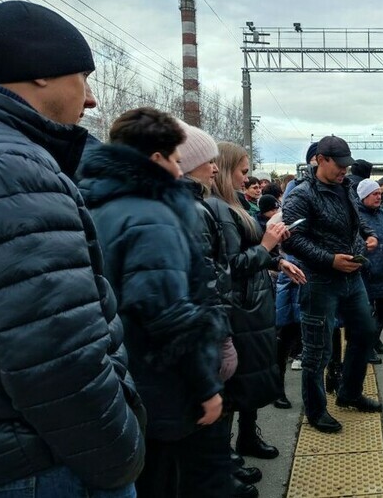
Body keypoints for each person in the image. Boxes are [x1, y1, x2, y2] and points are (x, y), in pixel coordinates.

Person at [0, 1, 145, 496]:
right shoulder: (7, 168)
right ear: (39, 74)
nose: (92, 98)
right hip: (40, 459)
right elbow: (56, 351)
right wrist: (122, 456)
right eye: (82, 75)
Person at [78, 108, 234, 497]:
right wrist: (206, 387)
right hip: (164, 385)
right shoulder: (152, 218)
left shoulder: (93, 204)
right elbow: (168, 317)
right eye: (178, 161)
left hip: (121, 373)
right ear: (156, 160)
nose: (181, 172)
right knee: (185, 480)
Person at [206, 142, 306, 469]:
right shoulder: (217, 208)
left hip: (250, 305)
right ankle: (227, 457)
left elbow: (250, 254)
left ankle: (246, 438)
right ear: (223, 168)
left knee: (247, 380)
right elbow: (229, 266)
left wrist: (276, 262)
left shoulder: (232, 204)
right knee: (235, 383)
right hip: (239, 307)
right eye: (243, 171)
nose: (248, 178)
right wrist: (268, 246)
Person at [281, 135, 382, 434]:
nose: (344, 171)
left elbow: (355, 218)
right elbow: (294, 240)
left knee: (365, 332)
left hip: (352, 276)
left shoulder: (346, 186)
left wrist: (367, 234)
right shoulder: (302, 195)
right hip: (320, 281)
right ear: (320, 160)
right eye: (339, 165)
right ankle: (315, 411)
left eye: (346, 166)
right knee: (317, 350)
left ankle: (349, 392)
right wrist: (329, 260)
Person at [356, 180, 383, 363]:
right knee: (366, 313)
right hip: (366, 274)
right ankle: (366, 347)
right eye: (374, 194)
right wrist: (366, 262)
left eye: (379, 193)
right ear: (364, 196)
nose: (378, 196)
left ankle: (374, 338)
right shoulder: (356, 216)